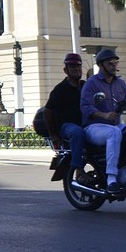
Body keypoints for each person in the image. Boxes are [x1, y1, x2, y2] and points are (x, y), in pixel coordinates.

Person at [80, 48, 126, 194]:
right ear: (101, 65)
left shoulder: (119, 83)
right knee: (114, 133)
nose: (114, 66)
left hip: (114, 125)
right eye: (110, 63)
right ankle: (111, 178)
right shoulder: (92, 83)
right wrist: (104, 115)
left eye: (115, 63)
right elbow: (85, 107)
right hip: (94, 127)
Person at [43, 52, 86, 181]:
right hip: (66, 126)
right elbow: (47, 112)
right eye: (72, 67)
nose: (76, 69)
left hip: (85, 123)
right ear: (65, 70)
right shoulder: (60, 89)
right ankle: (79, 170)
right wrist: (53, 134)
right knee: (77, 133)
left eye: (78, 67)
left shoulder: (85, 86)